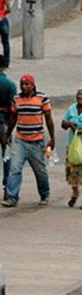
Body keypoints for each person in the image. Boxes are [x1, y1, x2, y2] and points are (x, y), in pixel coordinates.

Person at [1, 74, 55, 208]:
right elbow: (13, 117)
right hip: (20, 139)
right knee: (15, 169)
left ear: (33, 85)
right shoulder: (17, 99)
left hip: (36, 141)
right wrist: (8, 135)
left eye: (27, 84)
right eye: (22, 84)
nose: (24, 87)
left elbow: (48, 119)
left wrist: (52, 138)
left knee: (40, 170)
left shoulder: (42, 98)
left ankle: (44, 193)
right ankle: (12, 197)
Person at [0, 62, 16, 200]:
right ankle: (7, 189)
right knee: (7, 156)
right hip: (4, 123)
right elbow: (13, 109)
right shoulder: (9, 84)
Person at [0, 0, 11, 66]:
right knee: (5, 42)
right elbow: (9, 9)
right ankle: (6, 62)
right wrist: (3, 12)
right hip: (2, 19)